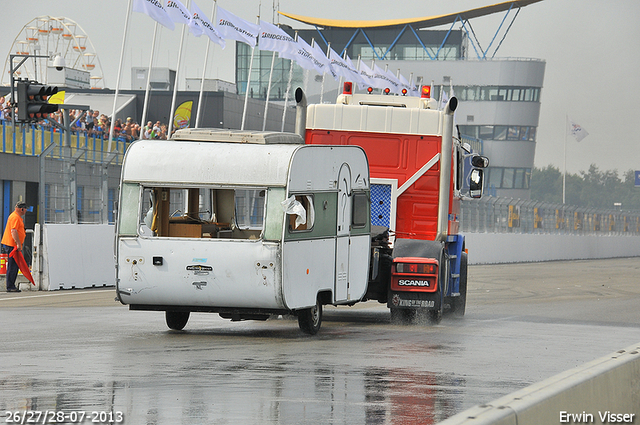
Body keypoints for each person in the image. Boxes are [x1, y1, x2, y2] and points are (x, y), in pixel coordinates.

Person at [1, 201, 28, 293]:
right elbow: (14, 231)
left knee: (14, 266)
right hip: (13, 245)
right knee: (13, 266)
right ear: (22, 209)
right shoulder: (15, 217)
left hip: (12, 244)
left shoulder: (15, 216)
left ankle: (11, 285)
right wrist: (18, 244)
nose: (25, 211)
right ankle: (10, 286)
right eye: (25, 210)